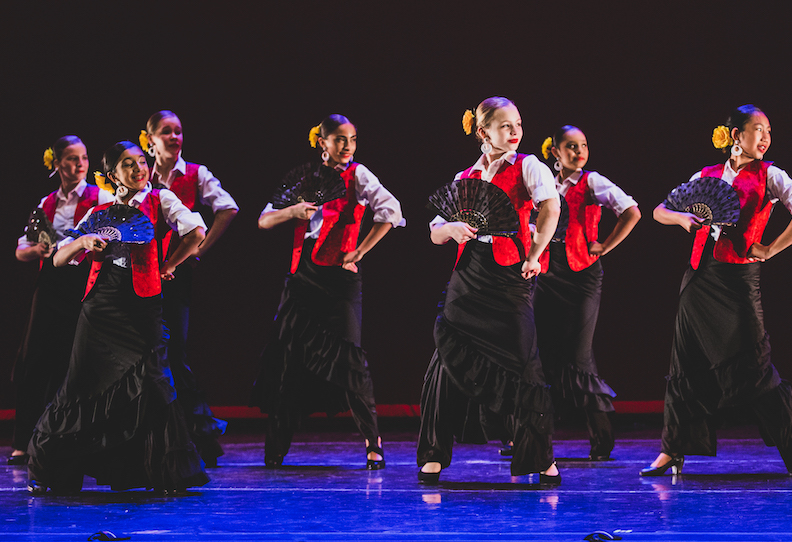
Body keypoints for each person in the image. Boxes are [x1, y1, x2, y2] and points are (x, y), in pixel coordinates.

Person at [643, 104, 792, 477]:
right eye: (757, 129)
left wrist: (771, 248)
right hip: (699, 277)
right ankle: (673, 448)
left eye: (769, 131)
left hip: (739, 280)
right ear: (735, 136)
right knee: (685, 365)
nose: (765, 137)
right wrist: (682, 218)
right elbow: (659, 210)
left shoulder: (770, 175)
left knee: (755, 369)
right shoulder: (706, 174)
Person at [28, 141, 208, 493]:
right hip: (101, 307)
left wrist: (169, 264)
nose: (140, 169)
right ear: (112, 175)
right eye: (129, 164)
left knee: (155, 382)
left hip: (143, 305)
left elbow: (196, 232)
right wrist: (83, 242)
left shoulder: (160, 200)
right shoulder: (99, 212)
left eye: (142, 162)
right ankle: (51, 470)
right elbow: (58, 259)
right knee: (80, 386)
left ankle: (163, 473)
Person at [417, 97, 561, 484]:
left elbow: (550, 208)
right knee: (448, 356)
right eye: (505, 126)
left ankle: (541, 455)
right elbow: (434, 229)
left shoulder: (529, 165)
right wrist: (450, 230)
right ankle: (433, 452)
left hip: (509, 273)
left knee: (522, 359)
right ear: (483, 132)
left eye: (518, 124)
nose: (515, 132)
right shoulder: (466, 176)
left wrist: (535, 253)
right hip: (468, 276)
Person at [252, 114, 404, 469]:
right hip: (302, 276)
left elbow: (391, 211)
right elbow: (263, 219)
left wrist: (361, 250)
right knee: (289, 357)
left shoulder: (359, 175)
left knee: (351, 358)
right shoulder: (304, 177)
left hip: (340, 276)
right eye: (339, 139)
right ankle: (277, 445)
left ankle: (373, 440)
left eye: (352, 138)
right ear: (322, 142)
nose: (347, 145)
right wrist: (292, 211)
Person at [534, 125, 640, 460]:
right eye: (571, 146)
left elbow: (631, 212)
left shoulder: (592, 181)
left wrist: (605, 246)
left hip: (581, 274)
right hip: (547, 274)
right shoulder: (543, 181)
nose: (579, 151)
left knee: (579, 356)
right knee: (541, 354)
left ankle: (602, 436)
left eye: (583, 145)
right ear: (555, 151)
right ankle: (533, 436)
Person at [10, 136, 114, 465]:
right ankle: (24, 439)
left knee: (79, 360)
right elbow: (21, 248)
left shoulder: (101, 196)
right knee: (34, 357)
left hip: (86, 282)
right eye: (71, 158)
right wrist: (37, 250)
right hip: (52, 284)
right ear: (55, 163)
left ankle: (83, 438)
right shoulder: (46, 204)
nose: (80, 164)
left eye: (83, 157)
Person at [143, 110, 238, 466]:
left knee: (175, 351)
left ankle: (193, 435)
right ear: (149, 139)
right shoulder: (140, 172)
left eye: (178, 131)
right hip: (139, 273)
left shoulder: (195, 174)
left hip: (175, 275)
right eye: (166, 132)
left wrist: (197, 249)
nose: (174, 137)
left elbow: (227, 209)